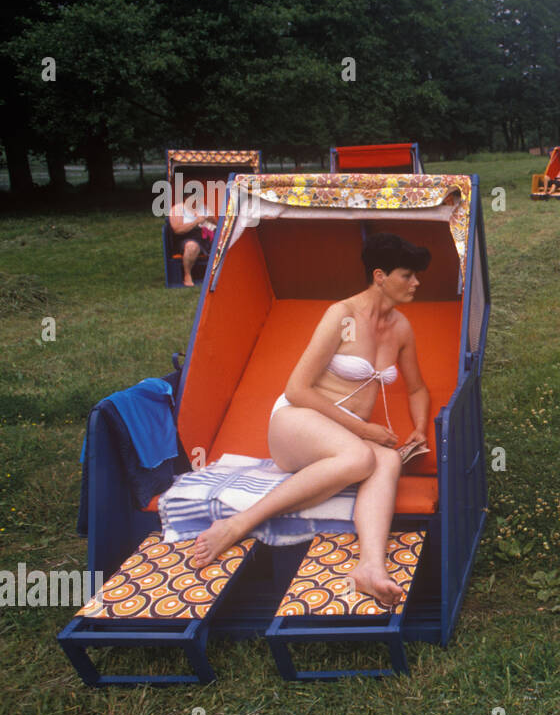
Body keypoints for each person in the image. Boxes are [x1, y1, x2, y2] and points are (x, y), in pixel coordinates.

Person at [192, 232, 434, 607]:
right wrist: (364, 429)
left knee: (386, 459)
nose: (417, 282)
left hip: (340, 438)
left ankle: (370, 566)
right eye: (408, 274)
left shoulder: (400, 328)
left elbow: (417, 388)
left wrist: (419, 428)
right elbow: (297, 389)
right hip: (296, 423)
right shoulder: (342, 316)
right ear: (380, 276)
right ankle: (237, 523)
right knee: (362, 457)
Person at [169, 198, 218, 287]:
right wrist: (196, 222)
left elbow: (217, 225)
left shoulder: (203, 208)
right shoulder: (177, 209)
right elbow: (177, 230)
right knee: (192, 246)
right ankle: (187, 275)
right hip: (186, 238)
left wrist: (211, 219)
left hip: (205, 237)